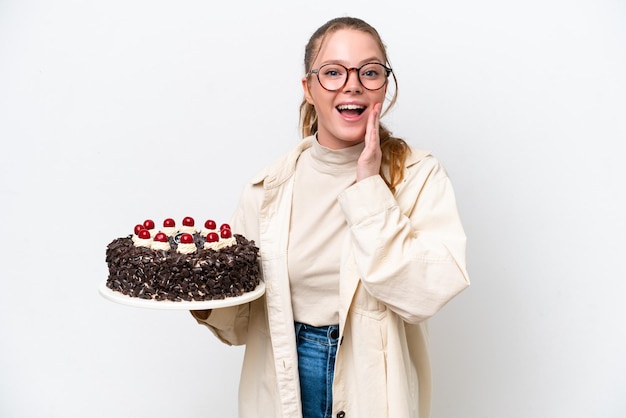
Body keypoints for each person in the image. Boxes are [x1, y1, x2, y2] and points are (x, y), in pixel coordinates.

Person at [191, 16, 470, 418]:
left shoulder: (418, 176)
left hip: (370, 383)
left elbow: (426, 292)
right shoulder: (267, 188)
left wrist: (369, 187)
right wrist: (195, 291)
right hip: (286, 376)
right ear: (308, 88)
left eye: (369, 72)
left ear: (384, 86)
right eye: (333, 72)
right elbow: (239, 324)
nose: (352, 83)